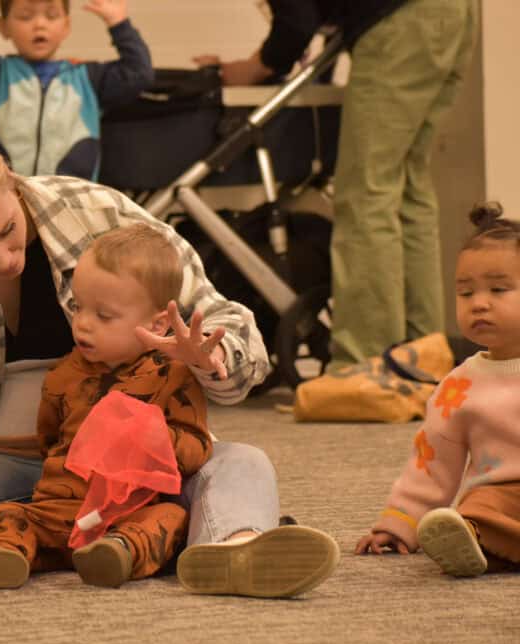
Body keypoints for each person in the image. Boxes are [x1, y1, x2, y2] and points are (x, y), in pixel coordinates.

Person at [0, 122, 339, 616]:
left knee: (242, 462)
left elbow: (235, 335)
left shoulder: (101, 214)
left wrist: (209, 356)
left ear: (7, 175)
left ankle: (234, 551)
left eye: (5, 231)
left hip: (134, 469)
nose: (4, 260)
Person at [194, 0, 477, 369]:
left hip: (402, 21)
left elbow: (296, 21)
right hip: (453, 15)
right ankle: (423, 356)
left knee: (365, 194)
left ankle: (367, 362)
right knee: (408, 190)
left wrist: (254, 66)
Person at [0, 225, 211, 590]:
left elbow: (197, 447)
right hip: (59, 509)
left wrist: (160, 438)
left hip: (126, 512)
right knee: (6, 513)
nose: (82, 324)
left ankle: (118, 553)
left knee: (171, 516)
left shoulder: (172, 375)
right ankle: (4, 557)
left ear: (156, 323)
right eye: (78, 307)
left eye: (104, 316)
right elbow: (49, 440)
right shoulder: (64, 375)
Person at [355, 203, 520, 576]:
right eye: (465, 293)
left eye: (498, 289)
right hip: (499, 498)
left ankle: (494, 548)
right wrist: (399, 523)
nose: (479, 303)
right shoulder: (458, 387)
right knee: (472, 513)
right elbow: (431, 464)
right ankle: (476, 544)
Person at [0, 0, 152, 181]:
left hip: (72, 205)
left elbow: (139, 73)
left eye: (51, 15)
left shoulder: (88, 79)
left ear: (66, 26)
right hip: (9, 202)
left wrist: (119, 24)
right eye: (25, 16)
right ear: (3, 27)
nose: (39, 24)